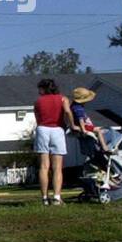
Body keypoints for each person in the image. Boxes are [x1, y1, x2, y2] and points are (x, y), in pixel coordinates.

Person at [33, 78, 76, 206]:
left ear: (43, 89)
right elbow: (67, 111)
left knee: (44, 166)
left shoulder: (38, 101)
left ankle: (45, 198)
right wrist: (72, 125)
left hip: (42, 129)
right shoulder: (63, 99)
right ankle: (57, 197)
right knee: (57, 167)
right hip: (57, 129)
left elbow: (37, 118)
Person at [70, 87, 111, 152]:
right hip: (84, 126)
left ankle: (99, 143)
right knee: (99, 131)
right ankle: (104, 147)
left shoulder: (73, 106)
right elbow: (81, 119)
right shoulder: (79, 108)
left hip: (83, 125)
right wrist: (83, 130)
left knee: (102, 129)